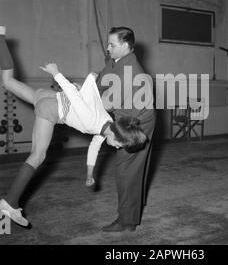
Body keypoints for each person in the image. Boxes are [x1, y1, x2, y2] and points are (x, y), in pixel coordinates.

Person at [0, 27, 147, 227]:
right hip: (51, 109)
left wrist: (89, 173)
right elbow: (75, 99)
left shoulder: (106, 125)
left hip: (49, 96)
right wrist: (57, 74)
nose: (117, 147)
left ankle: (0, 38)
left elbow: (94, 147)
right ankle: (9, 202)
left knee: (8, 81)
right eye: (120, 145)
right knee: (38, 156)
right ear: (115, 136)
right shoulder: (92, 123)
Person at [94, 26, 156, 232]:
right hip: (130, 114)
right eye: (108, 43)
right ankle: (135, 206)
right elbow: (102, 77)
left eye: (112, 44)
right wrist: (87, 86)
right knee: (135, 168)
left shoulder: (130, 71)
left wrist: (111, 131)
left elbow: (110, 105)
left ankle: (127, 221)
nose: (107, 47)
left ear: (126, 46)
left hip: (136, 122)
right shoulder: (117, 61)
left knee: (126, 170)